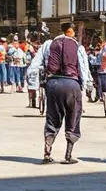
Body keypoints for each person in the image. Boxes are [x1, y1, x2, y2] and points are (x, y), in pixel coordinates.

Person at [26, 23, 93, 164]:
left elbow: (35, 64)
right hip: (72, 84)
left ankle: (47, 152)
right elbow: (83, 67)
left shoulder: (48, 44)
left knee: (52, 118)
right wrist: (87, 86)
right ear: (71, 32)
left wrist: (32, 84)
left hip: (53, 84)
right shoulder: (78, 47)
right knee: (73, 118)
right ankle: (68, 155)